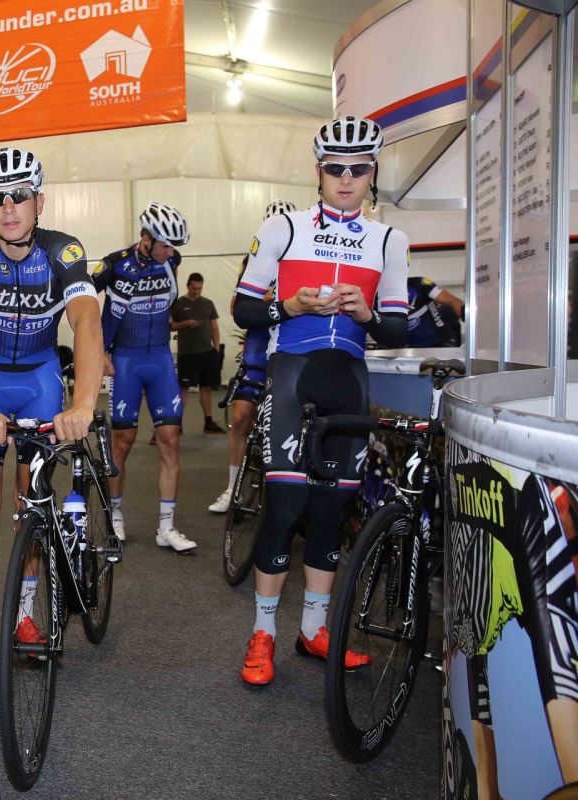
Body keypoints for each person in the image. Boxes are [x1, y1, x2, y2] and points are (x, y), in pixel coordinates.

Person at [233, 116, 409, 685]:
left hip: (348, 380)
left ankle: (313, 631)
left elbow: (397, 328)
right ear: (318, 171)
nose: (346, 179)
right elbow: (244, 309)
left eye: (358, 169)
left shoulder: (389, 240)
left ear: (373, 173)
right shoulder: (283, 227)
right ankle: (263, 634)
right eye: (336, 168)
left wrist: (367, 314)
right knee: (285, 508)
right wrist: (291, 307)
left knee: (333, 512)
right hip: (293, 372)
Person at [0, 146, 102, 668]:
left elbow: (86, 322)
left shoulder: (63, 251)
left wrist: (84, 402)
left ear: (39, 202)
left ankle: (25, 614)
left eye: (20, 196)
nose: (9, 208)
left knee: (29, 504)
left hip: (39, 383)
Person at [92, 202, 195, 552]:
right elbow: (82, 300)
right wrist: (99, 350)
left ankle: (166, 527)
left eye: (174, 247)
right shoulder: (114, 263)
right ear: (145, 238)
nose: (171, 252)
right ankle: (115, 515)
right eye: (165, 245)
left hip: (161, 358)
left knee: (171, 439)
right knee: (123, 441)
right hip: (126, 360)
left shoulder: (172, 262)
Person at [208, 200, 297, 514]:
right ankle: (232, 487)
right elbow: (237, 306)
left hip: (290, 342)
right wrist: (274, 297)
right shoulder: (254, 257)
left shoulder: (304, 254)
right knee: (241, 417)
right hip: (259, 343)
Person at [171, 273, 224, 433]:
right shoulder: (178, 304)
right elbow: (171, 326)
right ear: (188, 286)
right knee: (184, 388)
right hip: (187, 353)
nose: (196, 291)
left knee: (206, 387)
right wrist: (185, 324)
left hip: (206, 352)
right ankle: (177, 423)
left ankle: (208, 422)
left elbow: (214, 327)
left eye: (199, 288)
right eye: (194, 288)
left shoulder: (208, 303)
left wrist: (216, 347)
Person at [404, 276, 463, 348]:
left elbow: (452, 301)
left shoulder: (417, 283)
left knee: (447, 308)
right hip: (411, 349)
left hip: (442, 343)